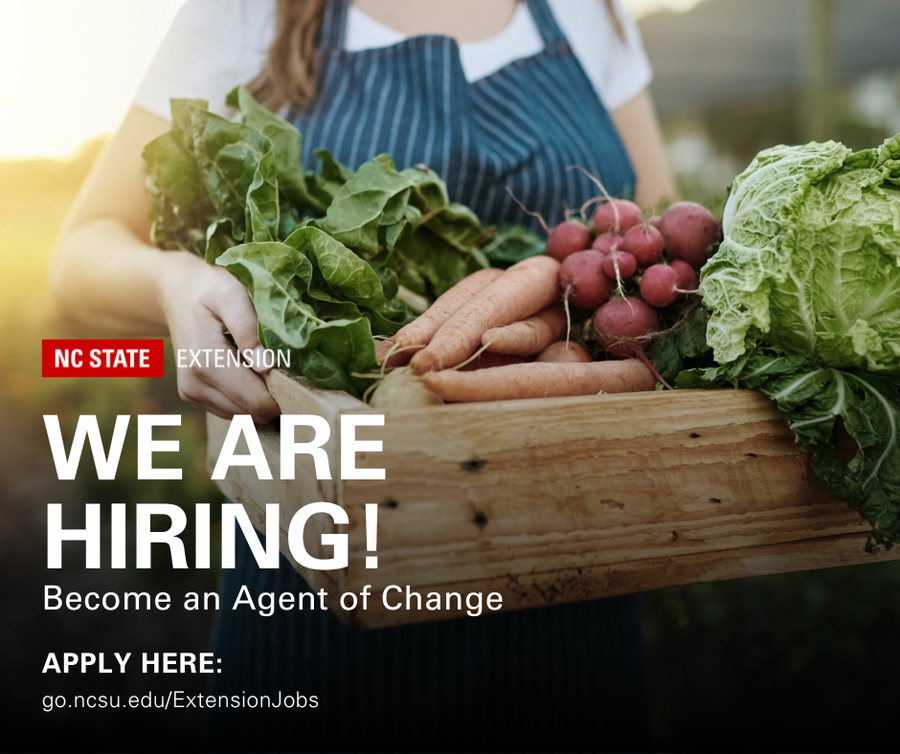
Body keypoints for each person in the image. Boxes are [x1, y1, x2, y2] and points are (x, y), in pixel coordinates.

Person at [51, 1, 675, 750]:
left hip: (578, 578)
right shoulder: (247, 11)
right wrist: (174, 283)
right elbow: (79, 254)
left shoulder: (584, 10)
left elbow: (655, 232)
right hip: (314, 590)